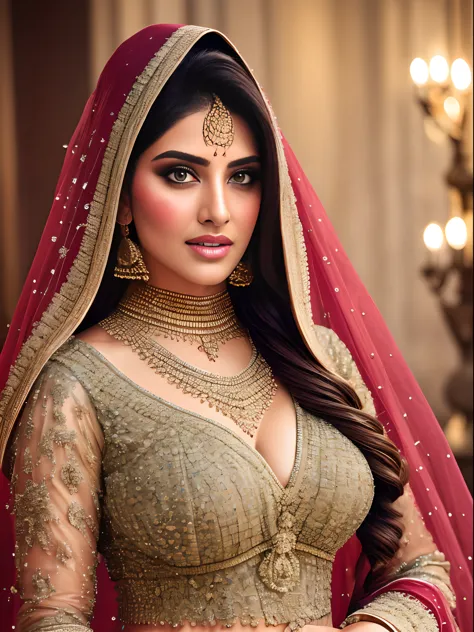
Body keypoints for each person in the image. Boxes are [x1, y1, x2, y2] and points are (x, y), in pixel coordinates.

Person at [0, 23, 471, 632]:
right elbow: (50, 620)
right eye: (181, 173)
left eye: (243, 176)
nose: (218, 208)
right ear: (118, 195)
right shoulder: (75, 386)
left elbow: (423, 568)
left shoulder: (317, 355)